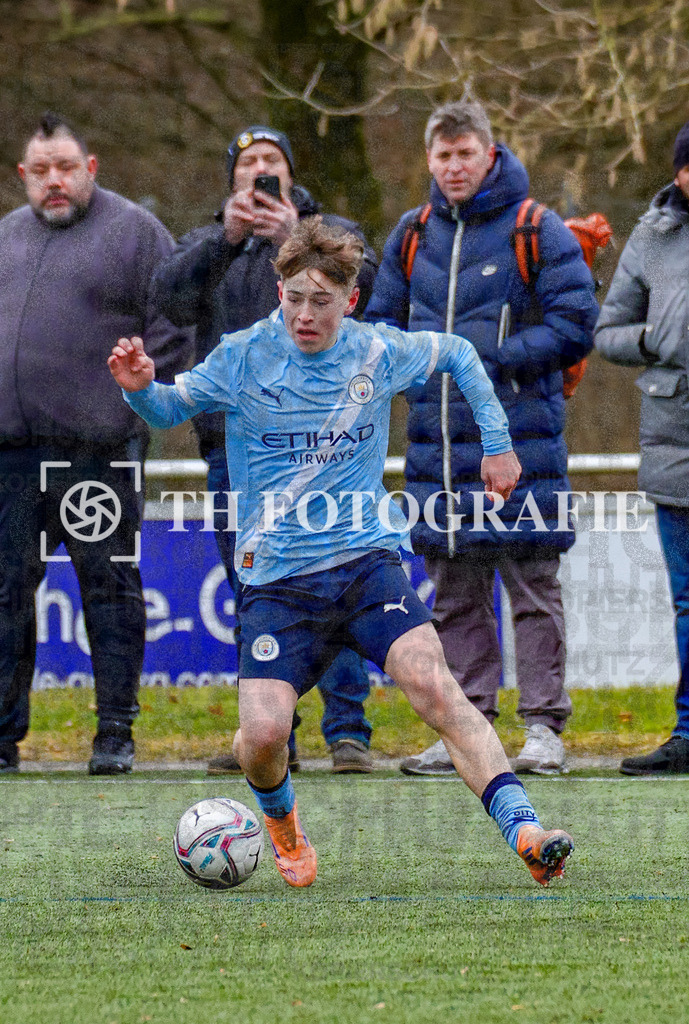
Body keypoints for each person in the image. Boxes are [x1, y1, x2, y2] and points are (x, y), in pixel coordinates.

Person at [109, 216, 574, 889]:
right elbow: (165, 409)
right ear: (279, 292)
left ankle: (526, 832)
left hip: (364, 562)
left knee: (432, 685)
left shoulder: (377, 352)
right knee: (262, 738)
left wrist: (497, 443)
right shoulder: (243, 356)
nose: (304, 314)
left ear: (349, 301)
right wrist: (137, 385)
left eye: (320, 301)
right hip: (277, 580)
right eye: (293, 298)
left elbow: (460, 357)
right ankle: (283, 824)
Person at [365, 100, 598, 776]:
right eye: (441, 156)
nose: (452, 167)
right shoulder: (410, 234)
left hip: (520, 447)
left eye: (464, 153)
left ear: (489, 154)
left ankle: (544, 729)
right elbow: (378, 324)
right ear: (428, 161)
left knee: (530, 587)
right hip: (434, 452)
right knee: (454, 594)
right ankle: (465, 729)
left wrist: (486, 357)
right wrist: (405, 360)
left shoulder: (537, 227)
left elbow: (575, 323)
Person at [152, 125, 379, 775]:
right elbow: (166, 298)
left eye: (270, 162)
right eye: (247, 163)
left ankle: (348, 732)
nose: (259, 172)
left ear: (290, 172)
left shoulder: (325, 230)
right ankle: (274, 737)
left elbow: (382, 291)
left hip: (320, 442)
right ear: (231, 179)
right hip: (235, 448)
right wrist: (226, 237)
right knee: (257, 591)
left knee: (331, 581)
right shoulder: (207, 240)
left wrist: (296, 241)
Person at [0, 112, 191, 775]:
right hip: (12, 457)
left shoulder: (136, 233)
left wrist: (128, 405)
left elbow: (174, 327)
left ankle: (115, 733)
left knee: (109, 591)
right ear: (24, 176)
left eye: (66, 168)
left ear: (92, 168)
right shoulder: (5, 238)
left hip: (96, 455)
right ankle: (2, 738)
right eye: (40, 171)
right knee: (4, 595)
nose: (54, 181)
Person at [595, 121, 689, 775]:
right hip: (673, 446)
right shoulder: (651, 239)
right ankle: (688, 734)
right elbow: (607, 332)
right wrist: (654, 340)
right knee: (686, 600)